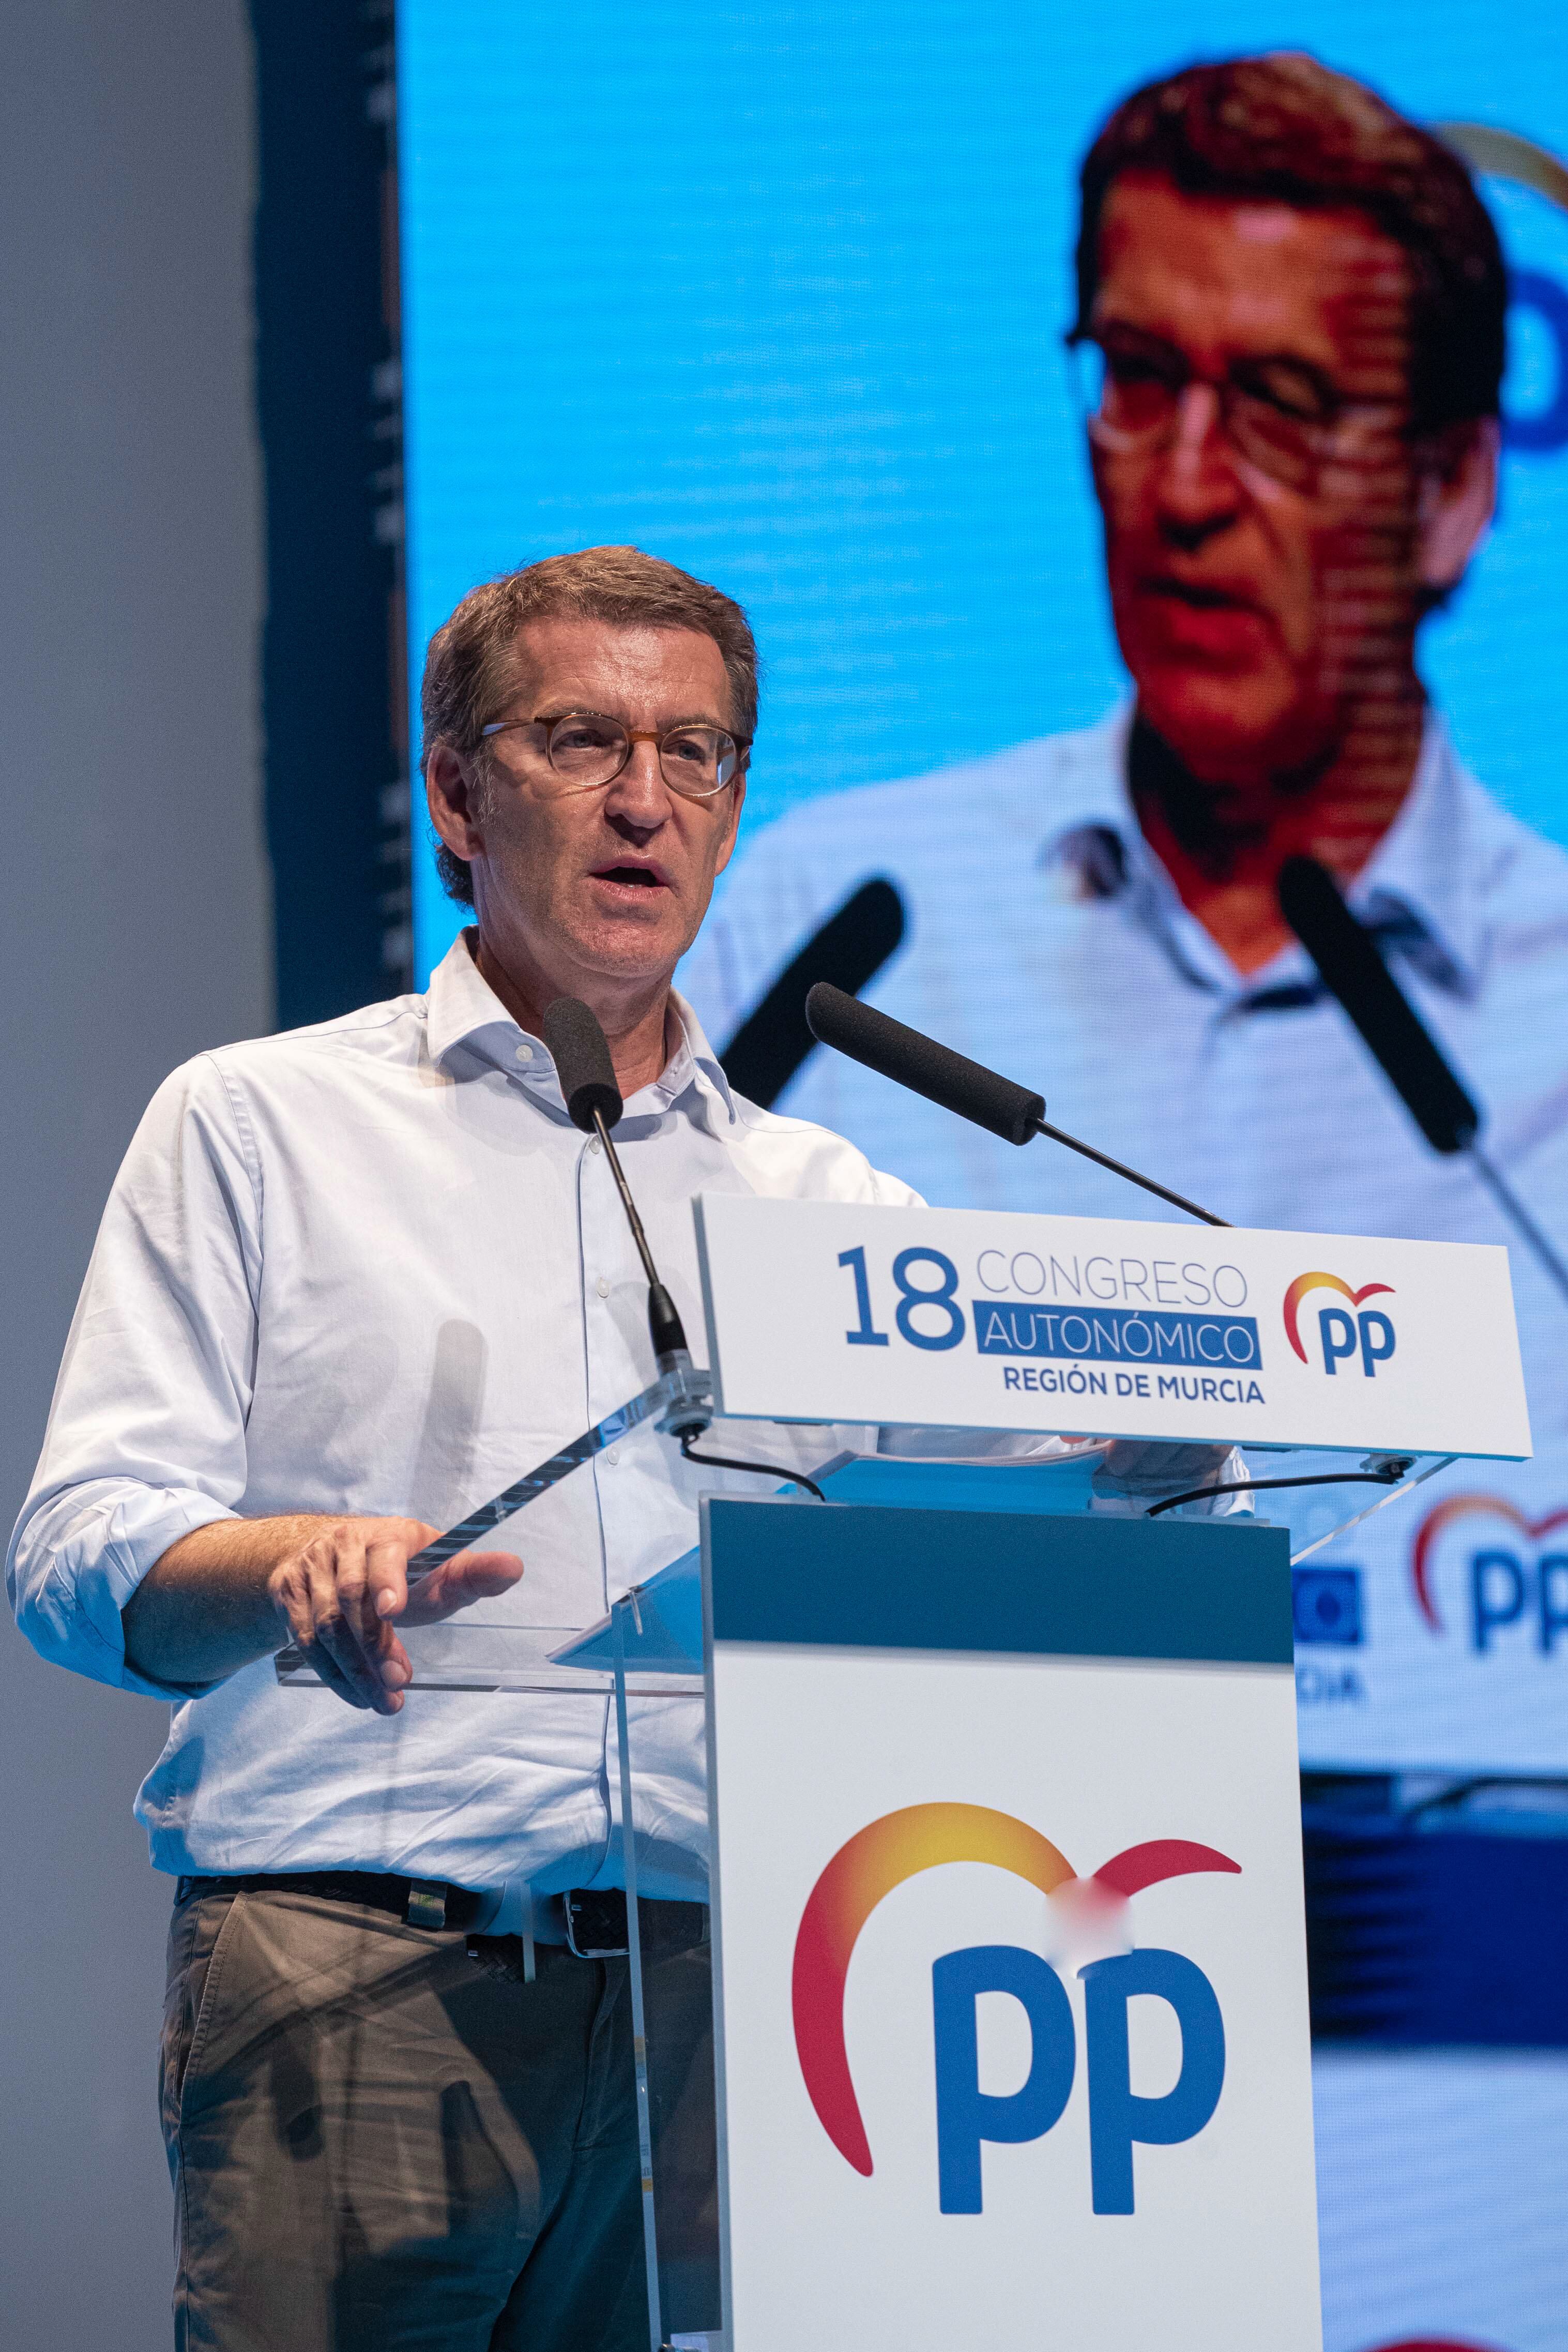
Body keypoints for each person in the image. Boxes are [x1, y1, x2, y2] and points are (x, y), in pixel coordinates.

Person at [7, 546, 1230, 2351]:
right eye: (581, 740)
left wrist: (1195, 1425)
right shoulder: (262, 1122)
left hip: (718, 2003)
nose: (646, 800)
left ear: (736, 813)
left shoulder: (828, 1205)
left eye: (701, 754)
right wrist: (282, 1567)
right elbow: (76, 1555)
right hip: (361, 1978)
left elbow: (1064, 1514)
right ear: (453, 795)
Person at [679, 55, 1568, 1460]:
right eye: (1141, 378)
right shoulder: (831, 945)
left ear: (1448, 492)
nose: (1188, 486)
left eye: (1280, 404)